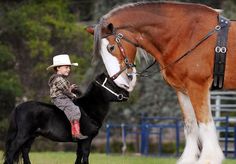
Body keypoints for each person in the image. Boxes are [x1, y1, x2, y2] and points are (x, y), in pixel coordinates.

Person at [47, 54, 87, 140]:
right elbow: (65, 91)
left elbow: (64, 89)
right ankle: (76, 133)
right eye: (66, 67)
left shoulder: (60, 79)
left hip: (61, 97)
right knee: (74, 109)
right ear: (58, 68)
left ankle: (74, 132)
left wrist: (71, 88)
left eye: (69, 67)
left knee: (73, 108)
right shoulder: (59, 79)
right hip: (60, 98)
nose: (68, 69)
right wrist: (73, 95)